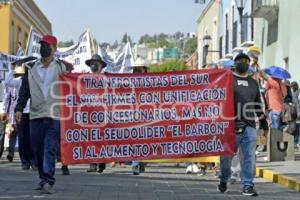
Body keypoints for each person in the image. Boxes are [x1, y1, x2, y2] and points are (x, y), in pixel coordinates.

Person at [15, 35, 68, 194]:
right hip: (36, 115)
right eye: (42, 45)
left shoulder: (62, 68)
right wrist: (19, 108)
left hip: (54, 114)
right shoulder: (31, 68)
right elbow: (24, 92)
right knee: (36, 149)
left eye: (48, 45)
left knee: (49, 148)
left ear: (55, 49)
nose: (44, 48)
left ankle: (48, 179)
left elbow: (72, 87)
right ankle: (42, 178)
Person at [218, 53, 266, 196]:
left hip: (249, 126)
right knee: (226, 158)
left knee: (249, 156)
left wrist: (263, 122)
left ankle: (247, 185)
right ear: (235, 63)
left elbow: (258, 104)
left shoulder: (253, 83)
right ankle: (223, 178)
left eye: (246, 61)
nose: (243, 62)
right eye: (240, 60)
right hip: (230, 126)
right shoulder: (227, 80)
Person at [85, 54, 107, 173]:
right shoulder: (85, 79)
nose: (93, 65)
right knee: (90, 139)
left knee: (101, 139)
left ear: (101, 66)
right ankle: (92, 164)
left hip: (103, 113)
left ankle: (102, 162)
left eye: (96, 63)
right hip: (90, 113)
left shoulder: (106, 79)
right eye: (92, 63)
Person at [130, 57, 147, 175]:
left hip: (147, 115)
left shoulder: (151, 82)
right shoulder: (129, 81)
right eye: (136, 69)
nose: (137, 71)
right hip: (133, 114)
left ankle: (140, 162)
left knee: (143, 140)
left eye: (139, 69)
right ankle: (136, 164)